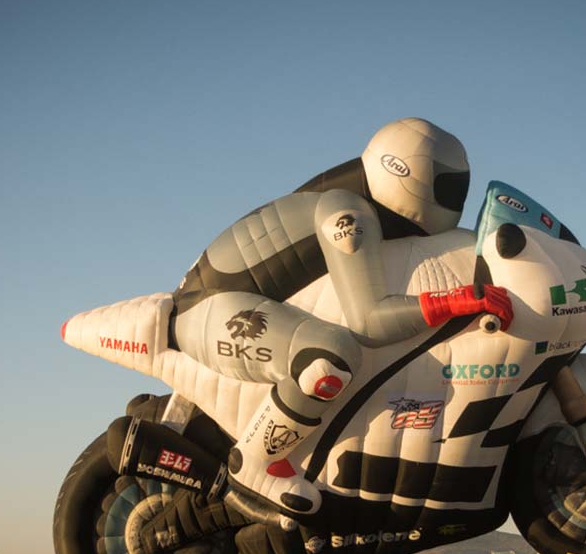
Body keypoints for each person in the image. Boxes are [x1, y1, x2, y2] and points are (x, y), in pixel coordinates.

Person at [166, 117, 510, 514]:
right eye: (448, 186)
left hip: (233, 304)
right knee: (329, 356)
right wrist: (454, 301)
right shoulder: (348, 213)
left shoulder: (353, 201)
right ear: (407, 174)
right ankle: (253, 465)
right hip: (207, 309)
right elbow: (370, 320)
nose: (455, 198)